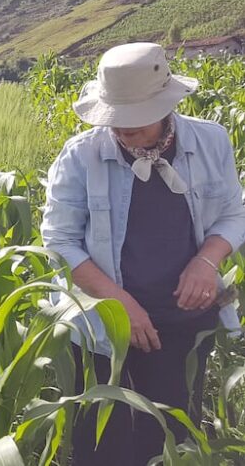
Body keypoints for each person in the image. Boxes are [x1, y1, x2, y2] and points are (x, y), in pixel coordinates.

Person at [41, 42, 245, 465]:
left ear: (165, 105)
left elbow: (233, 211)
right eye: (116, 121)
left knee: (172, 436)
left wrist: (207, 261)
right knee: (103, 441)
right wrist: (121, 306)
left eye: (135, 122)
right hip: (105, 330)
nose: (122, 130)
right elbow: (59, 241)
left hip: (182, 326)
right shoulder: (81, 156)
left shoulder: (210, 142)